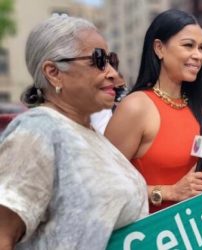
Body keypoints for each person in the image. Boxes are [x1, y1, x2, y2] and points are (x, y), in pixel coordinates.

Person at [0, 15, 148, 250]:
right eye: (99, 60)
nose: (111, 73)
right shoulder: (39, 130)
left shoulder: (91, 135)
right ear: (53, 72)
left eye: (112, 61)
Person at [105, 9, 202, 213]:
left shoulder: (194, 107)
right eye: (188, 45)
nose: (198, 56)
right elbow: (103, 186)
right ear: (159, 48)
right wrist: (169, 192)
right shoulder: (136, 107)